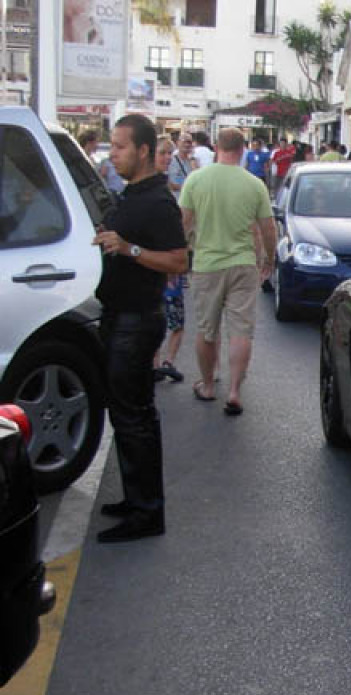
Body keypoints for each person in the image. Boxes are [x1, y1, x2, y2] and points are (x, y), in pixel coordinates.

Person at [90, 115, 188, 543]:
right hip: (119, 317)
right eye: (112, 147)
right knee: (128, 415)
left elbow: (178, 262)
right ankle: (137, 501)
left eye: (119, 147)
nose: (112, 154)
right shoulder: (132, 195)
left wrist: (127, 248)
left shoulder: (159, 201)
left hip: (136, 321)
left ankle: (147, 513)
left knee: (134, 419)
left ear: (143, 151)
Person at [179, 128, 276, 417]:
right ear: (243, 149)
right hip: (243, 264)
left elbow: (183, 224)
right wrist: (268, 258)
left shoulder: (195, 180)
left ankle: (208, 385)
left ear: (216, 147)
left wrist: (179, 258)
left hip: (207, 265)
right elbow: (268, 227)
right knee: (241, 331)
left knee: (207, 330)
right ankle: (234, 391)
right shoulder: (254, 184)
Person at [151, 137, 187, 384]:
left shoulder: (164, 187)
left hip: (171, 265)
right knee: (155, 319)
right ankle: (155, 365)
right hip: (154, 267)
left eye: (168, 153)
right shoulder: (148, 188)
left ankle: (167, 363)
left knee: (176, 320)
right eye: (162, 153)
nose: (166, 158)